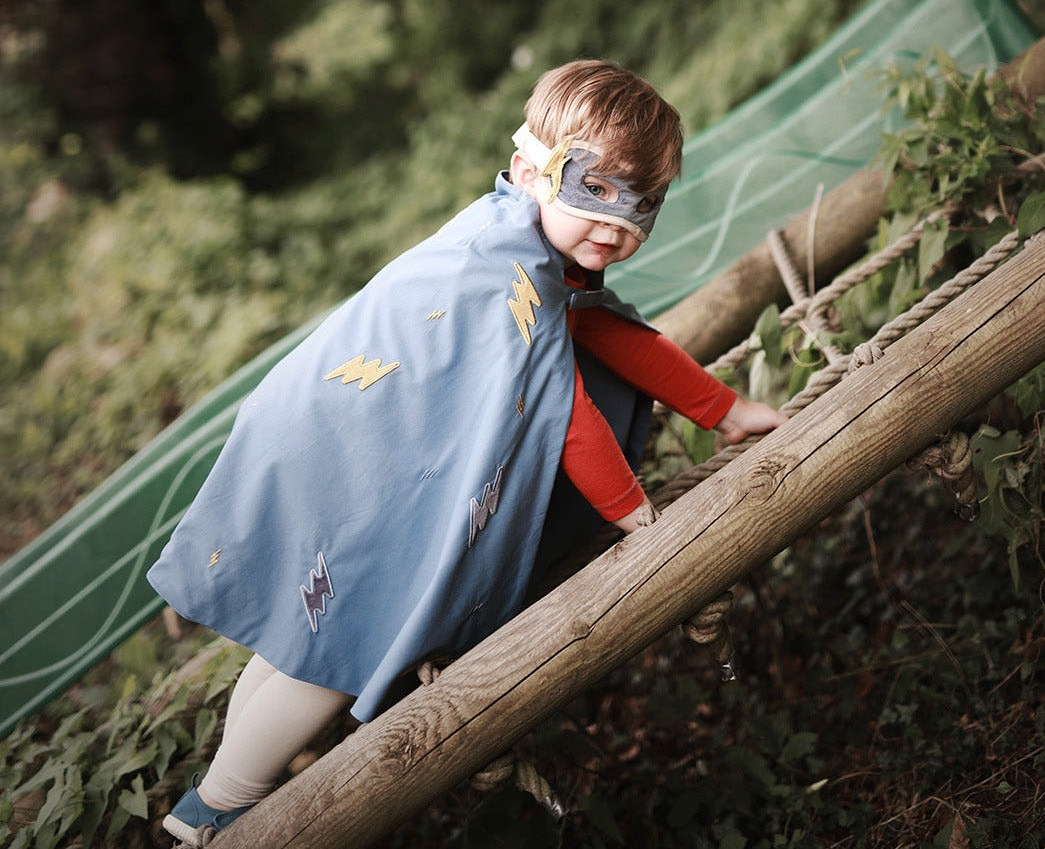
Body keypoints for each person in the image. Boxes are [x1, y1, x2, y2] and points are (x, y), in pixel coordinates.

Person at [149, 59, 786, 845]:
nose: (616, 225)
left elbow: (611, 334)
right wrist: (636, 518)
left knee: (308, 631)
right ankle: (218, 811)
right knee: (342, 636)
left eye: (641, 206)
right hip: (350, 450)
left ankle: (213, 796)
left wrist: (724, 410)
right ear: (530, 168)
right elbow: (568, 417)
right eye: (595, 190)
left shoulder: (533, 240)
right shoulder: (504, 262)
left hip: (351, 439)